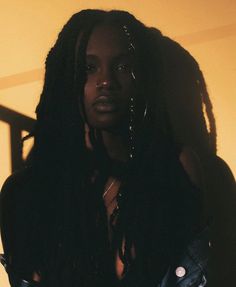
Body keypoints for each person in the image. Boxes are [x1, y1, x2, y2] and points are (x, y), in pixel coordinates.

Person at [0, 9, 235, 287]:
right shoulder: (26, 193)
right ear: (66, 77)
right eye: (88, 67)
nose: (106, 81)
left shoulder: (178, 170)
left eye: (123, 67)